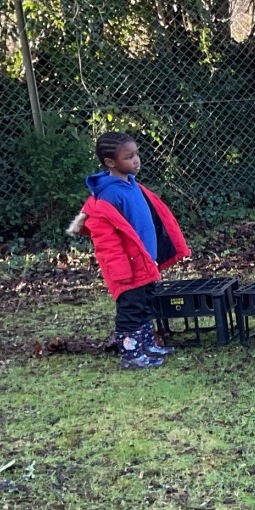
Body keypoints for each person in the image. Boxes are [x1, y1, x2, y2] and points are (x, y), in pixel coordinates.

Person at [66, 131, 191, 370]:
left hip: (146, 261)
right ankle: (131, 354)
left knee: (145, 305)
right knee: (130, 309)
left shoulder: (133, 185)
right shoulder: (109, 195)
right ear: (110, 162)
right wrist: (121, 271)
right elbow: (107, 242)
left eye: (136, 154)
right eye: (128, 157)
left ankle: (146, 345)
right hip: (128, 267)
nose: (136, 160)